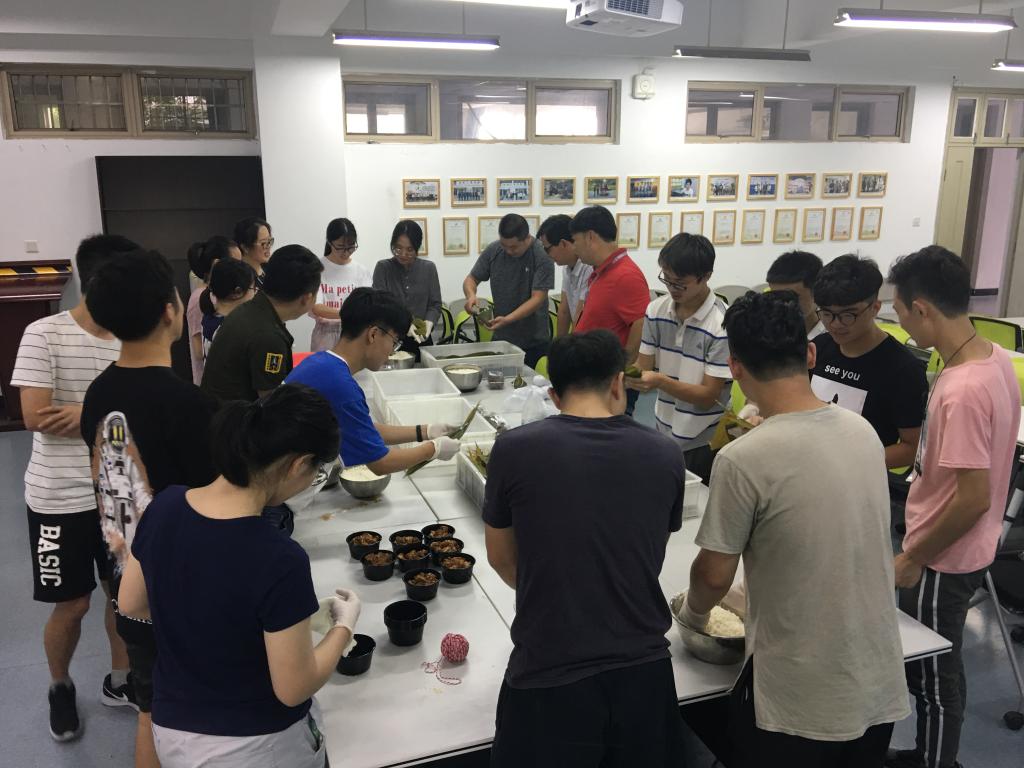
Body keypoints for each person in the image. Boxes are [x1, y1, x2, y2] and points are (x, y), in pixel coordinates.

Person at [680, 290, 909, 768]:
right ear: (809, 354)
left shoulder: (743, 458)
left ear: (734, 366)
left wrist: (695, 617)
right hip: (877, 680)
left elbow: (713, 576)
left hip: (799, 699)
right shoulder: (863, 432)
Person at [115, 385, 359, 768]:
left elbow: (131, 603)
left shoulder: (164, 507)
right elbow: (293, 687)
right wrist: (343, 628)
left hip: (174, 729)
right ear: (299, 465)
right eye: (316, 472)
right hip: (253, 747)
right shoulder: (279, 558)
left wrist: (211, 626)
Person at [483, 329, 686, 767]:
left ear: (554, 395)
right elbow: (648, 554)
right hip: (645, 674)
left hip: (549, 671)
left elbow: (500, 558)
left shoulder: (513, 449)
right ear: (618, 382)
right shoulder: (666, 453)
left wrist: (557, 589)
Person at [81, 248, 218, 768]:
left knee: (150, 708)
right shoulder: (189, 405)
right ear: (169, 310)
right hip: (185, 587)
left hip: (124, 578)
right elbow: (213, 503)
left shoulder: (98, 393)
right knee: (200, 712)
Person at [885, 246, 1021, 768]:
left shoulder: (962, 390)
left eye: (899, 310)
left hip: (944, 555)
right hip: (965, 545)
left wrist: (913, 555)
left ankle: (935, 761)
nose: (901, 323)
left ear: (921, 308)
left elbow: (972, 499)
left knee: (933, 676)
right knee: (941, 662)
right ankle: (930, 754)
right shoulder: (993, 357)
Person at [12, 234, 138, 743]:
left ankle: (121, 680)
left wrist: (85, 415)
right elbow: (35, 415)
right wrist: (105, 415)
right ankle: (60, 686)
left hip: (117, 496)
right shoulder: (44, 333)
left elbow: (140, 414)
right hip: (57, 498)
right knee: (73, 603)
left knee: (123, 595)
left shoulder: (129, 340)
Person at [286, 288, 461, 474]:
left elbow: (364, 430)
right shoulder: (341, 386)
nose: (392, 351)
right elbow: (380, 463)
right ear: (373, 335)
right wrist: (434, 449)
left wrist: (425, 431)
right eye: (394, 342)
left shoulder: (321, 362)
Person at [626, 233, 730, 482]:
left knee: (696, 500)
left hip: (703, 440)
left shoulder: (722, 324)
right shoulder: (657, 310)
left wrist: (660, 381)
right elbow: (643, 365)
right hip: (663, 427)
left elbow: (708, 397)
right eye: (667, 279)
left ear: (706, 276)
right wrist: (624, 376)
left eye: (680, 284)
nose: (672, 289)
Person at [811, 255, 927, 472]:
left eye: (848, 315)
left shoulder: (903, 369)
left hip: (859, 479)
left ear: (875, 308)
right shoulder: (819, 346)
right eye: (826, 314)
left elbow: (912, 448)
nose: (835, 324)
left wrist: (850, 462)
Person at [202, 245, 322, 403]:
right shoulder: (268, 336)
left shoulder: (252, 309)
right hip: (233, 416)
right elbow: (271, 403)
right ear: (307, 298)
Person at [569, 206, 650, 415]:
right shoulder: (601, 271)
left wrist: (620, 374)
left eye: (575, 241)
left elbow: (641, 325)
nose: (574, 248)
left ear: (590, 237)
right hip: (592, 379)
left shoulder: (626, 275)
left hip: (608, 385)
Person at [463, 213, 554, 368]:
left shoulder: (541, 254)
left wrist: (507, 319)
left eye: (513, 247)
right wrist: (471, 296)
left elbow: (538, 298)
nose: (508, 251)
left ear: (527, 238)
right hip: (502, 340)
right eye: (504, 245)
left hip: (534, 343)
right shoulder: (494, 250)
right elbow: (471, 279)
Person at [373, 220, 442, 353]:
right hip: (391, 340)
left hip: (421, 339)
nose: (403, 254)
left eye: (409, 250)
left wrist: (429, 322)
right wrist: (404, 325)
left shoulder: (428, 268)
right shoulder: (383, 268)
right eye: (398, 248)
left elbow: (435, 304)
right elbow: (380, 306)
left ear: (417, 248)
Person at [310, 218, 373, 353]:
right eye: (340, 247)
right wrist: (349, 314)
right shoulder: (317, 269)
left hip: (355, 334)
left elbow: (367, 307)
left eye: (351, 246)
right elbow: (317, 308)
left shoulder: (361, 271)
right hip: (325, 336)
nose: (346, 252)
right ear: (329, 243)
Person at [185, 236, 242, 385]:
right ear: (217, 264)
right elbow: (199, 351)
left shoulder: (224, 294)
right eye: (235, 264)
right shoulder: (199, 298)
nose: (240, 270)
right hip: (210, 384)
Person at [537, 214, 592, 338]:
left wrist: (571, 346)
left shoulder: (588, 267)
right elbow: (564, 311)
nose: (547, 255)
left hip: (591, 339)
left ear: (563, 243)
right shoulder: (567, 267)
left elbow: (580, 316)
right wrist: (559, 344)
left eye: (547, 249)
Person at [202, 258, 257, 359]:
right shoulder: (232, 329)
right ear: (237, 292)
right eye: (253, 288)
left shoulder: (209, 317)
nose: (255, 293)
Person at [766, 250, 824, 339]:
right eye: (774, 296)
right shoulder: (766, 334)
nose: (780, 304)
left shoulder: (836, 337)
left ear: (817, 292)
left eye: (789, 297)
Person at [233, 217, 273, 290]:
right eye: (263, 243)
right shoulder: (241, 279)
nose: (268, 246)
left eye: (270, 241)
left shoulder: (270, 270)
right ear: (245, 247)